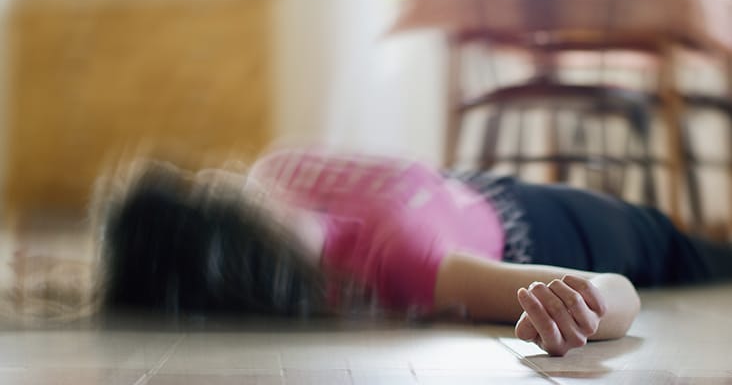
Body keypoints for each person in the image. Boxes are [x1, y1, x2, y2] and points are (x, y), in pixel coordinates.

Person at [94, 146, 732, 357]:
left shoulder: (279, 169)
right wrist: (585, 305)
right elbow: (617, 289)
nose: (216, 175)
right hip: (602, 234)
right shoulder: (405, 261)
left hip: (513, 198)